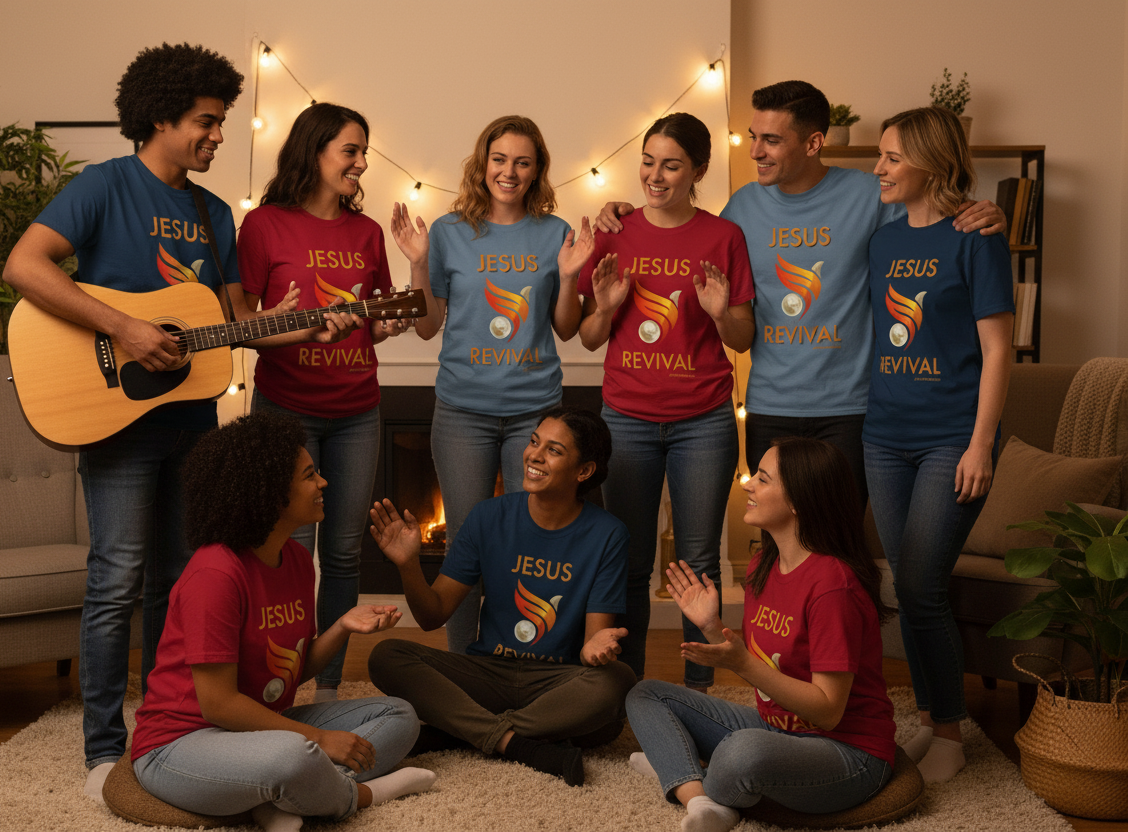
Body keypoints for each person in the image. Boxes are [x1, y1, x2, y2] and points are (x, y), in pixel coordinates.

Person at [1, 43, 356, 800]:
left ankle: (173, 729)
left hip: (192, 421)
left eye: (222, 122)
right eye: (206, 121)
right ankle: (103, 747)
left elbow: (235, 323)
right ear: (160, 116)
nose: (218, 136)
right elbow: (24, 267)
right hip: (112, 418)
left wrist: (298, 326)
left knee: (179, 579)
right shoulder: (101, 188)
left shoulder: (214, 212)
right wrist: (124, 329)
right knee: (117, 577)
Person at [595, 81, 1005, 505]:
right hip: (770, 405)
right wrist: (625, 214)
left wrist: (983, 212)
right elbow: (687, 235)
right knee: (777, 540)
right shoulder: (741, 208)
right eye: (754, 137)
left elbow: (934, 218)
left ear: (813, 143)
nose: (755, 152)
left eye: (771, 140)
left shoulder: (871, 195)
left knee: (838, 539)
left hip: (851, 407)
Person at [130, 411, 435, 831]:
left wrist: (343, 624)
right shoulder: (215, 574)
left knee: (399, 715)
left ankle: (289, 796)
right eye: (310, 475)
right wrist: (319, 740)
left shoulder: (293, 558)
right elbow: (218, 704)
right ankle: (360, 794)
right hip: (180, 742)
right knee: (293, 756)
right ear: (272, 494)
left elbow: (294, 667)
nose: (323, 483)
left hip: (256, 730)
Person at [389, 115, 594, 653]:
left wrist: (571, 275)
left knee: (527, 544)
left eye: (522, 162)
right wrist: (415, 264)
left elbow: (568, 328)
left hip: (535, 414)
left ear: (537, 171)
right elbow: (428, 325)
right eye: (499, 159)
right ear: (483, 164)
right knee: (466, 547)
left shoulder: (555, 233)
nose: (509, 171)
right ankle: (464, 668)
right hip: (463, 413)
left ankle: (517, 660)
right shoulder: (450, 232)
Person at [626, 438, 896, 832]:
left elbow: (827, 710)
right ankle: (700, 799)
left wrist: (741, 663)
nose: (748, 485)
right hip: (776, 729)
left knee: (742, 753)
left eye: (763, 479)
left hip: (848, 752)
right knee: (646, 694)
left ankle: (679, 770)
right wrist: (711, 627)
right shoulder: (761, 566)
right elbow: (767, 661)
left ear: (799, 501)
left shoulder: (832, 585)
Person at [238, 102, 409, 703]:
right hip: (285, 412)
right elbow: (242, 324)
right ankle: (281, 684)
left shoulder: (366, 233)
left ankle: (328, 692)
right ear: (315, 151)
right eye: (351, 150)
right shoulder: (262, 225)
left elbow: (380, 318)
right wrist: (298, 329)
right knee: (289, 553)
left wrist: (384, 327)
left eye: (364, 151)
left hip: (358, 410)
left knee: (341, 553)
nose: (362, 163)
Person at [577, 113, 754, 690]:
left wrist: (719, 311)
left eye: (671, 164)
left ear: (699, 170)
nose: (655, 175)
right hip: (626, 418)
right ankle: (625, 693)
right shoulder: (614, 231)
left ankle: (695, 695)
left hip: (702, 421)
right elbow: (588, 336)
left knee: (698, 564)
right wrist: (603, 307)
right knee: (626, 561)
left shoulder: (723, 236)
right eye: (648, 161)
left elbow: (742, 338)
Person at [367, 407, 635, 787]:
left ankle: (456, 732)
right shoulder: (487, 517)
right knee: (387, 656)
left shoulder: (608, 534)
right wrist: (409, 565)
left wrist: (597, 650)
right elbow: (432, 615)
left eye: (554, 450)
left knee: (617, 682)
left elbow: (593, 643)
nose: (534, 456)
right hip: (488, 673)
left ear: (584, 471)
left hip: (554, 681)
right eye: (534, 442)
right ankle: (519, 742)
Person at [864, 106, 1014, 784]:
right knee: (907, 582)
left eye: (892, 158)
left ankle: (950, 731)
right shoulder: (883, 242)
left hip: (951, 437)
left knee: (922, 584)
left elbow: (998, 348)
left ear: (929, 159)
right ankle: (930, 721)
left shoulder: (975, 238)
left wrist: (980, 446)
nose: (879, 169)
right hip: (884, 436)